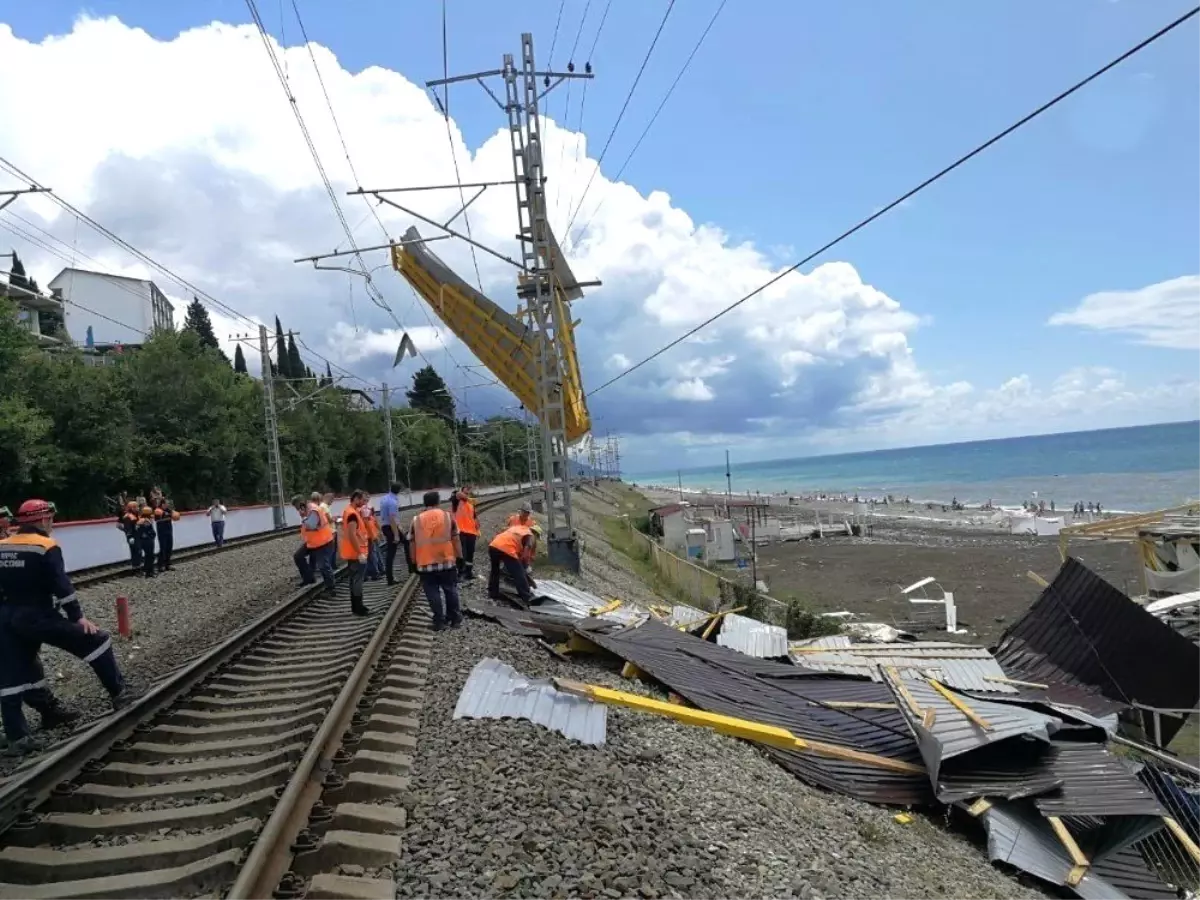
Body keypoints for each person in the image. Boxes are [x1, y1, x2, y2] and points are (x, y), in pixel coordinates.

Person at [0, 499, 129, 755]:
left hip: (6, 617)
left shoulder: (2, 546)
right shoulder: (46, 546)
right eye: (50, 517)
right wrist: (78, 617)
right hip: (37, 615)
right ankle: (120, 693)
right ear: (43, 519)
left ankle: (19, 737)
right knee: (97, 640)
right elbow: (61, 585)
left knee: (12, 674)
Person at [409, 491, 462, 631]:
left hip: (425, 564)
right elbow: (456, 539)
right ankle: (455, 619)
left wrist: (413, 562)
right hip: (447, 561)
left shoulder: (416, 520)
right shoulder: (448, 516)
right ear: (438, 502)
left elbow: (412, 543)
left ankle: (439, 622)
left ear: (424, 503)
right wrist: (460, 557)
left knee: (432, 593)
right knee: (450, 590)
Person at [338, 490, 370, 617]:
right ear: (356, 499)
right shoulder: (352, 514)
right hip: (356, 553)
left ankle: (356, 607)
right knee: (357, 580)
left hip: (353, 552)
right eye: (362, 500)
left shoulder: (350, 511)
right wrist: (360, 553)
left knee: (354, 580)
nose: (363, 503)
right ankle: (358, 607)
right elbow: (352, 534)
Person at [487, 523, 535, 604]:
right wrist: (524, 567)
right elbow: (526, 551)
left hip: (493, 546)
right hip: (507, 548)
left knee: (495, 571)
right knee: (519, 574)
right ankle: (527, 597)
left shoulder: (515, 528)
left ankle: (493, 594)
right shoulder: (529, 534)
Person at [451, 487, 480, 580]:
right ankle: (461, 573)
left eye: (469, 490)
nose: (468, 491)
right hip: (460, 531)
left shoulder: (471, 504)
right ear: (462, 491)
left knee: (470, 553)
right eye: (466, 489)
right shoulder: (457, 500)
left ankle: (468, 573)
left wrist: (477, 525)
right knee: (462, 553)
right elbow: (458, 494)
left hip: (471, 532)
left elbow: (474, 517)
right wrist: (468, 498)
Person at [379, 483, 403, 586]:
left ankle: (412, 567)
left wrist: (399, 527)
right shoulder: (393, 502)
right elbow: (392, 518)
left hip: (386, 526)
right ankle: (390, 579)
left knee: (406, 542)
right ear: (399, 491)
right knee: (391, 554)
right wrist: (396, 534)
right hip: (390, 528)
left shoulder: (384, 498)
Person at [154, 500, 178, 573]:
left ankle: (168, 564)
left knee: (169, 548)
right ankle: (160, 566)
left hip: (169, 531)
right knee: (163, 548)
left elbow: (176, 516)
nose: (167, 505)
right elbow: (157, 521)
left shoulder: (169, 510)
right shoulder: (157, 510)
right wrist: (168, 518)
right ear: (162, 504)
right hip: (162, 532)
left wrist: (173, 516)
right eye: (166, 504)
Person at [119, 501, 141, 572]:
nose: (138, 508)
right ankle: (135, 567)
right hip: (133, 536)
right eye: (136, 507)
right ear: (132, 508)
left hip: (137, 535)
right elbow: (128, 528)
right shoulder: (128, 516)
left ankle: (137, 566)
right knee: (135, 551)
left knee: (138, 551)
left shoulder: (136, 515)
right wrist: (130, 537)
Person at [136, 506, 157, 578]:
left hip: (146, 540)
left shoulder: (141, 520)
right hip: (147, 540)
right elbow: (147, 531)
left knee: (149, 556)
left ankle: (148, 570)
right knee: (150, 556)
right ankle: (149, 571)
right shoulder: (145, 521)